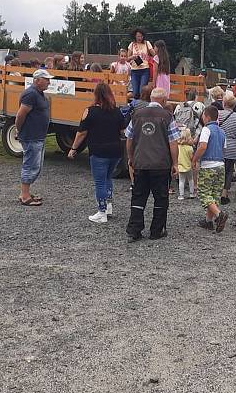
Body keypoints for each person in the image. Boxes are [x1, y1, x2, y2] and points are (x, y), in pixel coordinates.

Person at [125, 87, 179, 242]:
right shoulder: (167, 116)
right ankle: (156, 230)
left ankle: (134, 230)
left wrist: (131, 157)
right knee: (161, 198)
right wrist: (175, 163)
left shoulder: (136, 115)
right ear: (163, 100)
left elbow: (129, 138)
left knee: (138, 197)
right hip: (160, 164)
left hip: (140, 162)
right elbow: (173, 142)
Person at [68, 83, 125, 224]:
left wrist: (74, 148)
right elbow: (123, 132)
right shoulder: (117, 111)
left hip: (99, 151)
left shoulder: (90, 111)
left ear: (96, 95)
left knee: (99, 182)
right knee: (108, 178)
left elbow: (81, 133)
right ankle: (109, 206)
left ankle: (101, 212)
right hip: (116, 151)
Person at [15, 69, 53, 206]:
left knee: (36, 166)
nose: (49, 82)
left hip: (38, 136)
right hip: (31, 136)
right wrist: (18, 130)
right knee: (30, 165)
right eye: (46, 79)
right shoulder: (30, 94)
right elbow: (20, 115)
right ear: (37, 80)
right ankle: (25, 196)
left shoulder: (40, 94)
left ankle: (24, 193)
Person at [192, 105, 229, 233]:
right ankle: (208, 221)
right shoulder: (222, 131)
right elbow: (224, 149)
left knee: (204, 193)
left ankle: (219, 215)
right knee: (215, 194)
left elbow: (202, 146)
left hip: (208, 166)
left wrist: (195, 159)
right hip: (220, 165)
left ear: (206, 117)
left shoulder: (206, 130)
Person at [219, 91, 236, 205]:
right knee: (229, 171)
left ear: (224, 103)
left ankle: (216, 190)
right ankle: (225, 192)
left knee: (219, 169)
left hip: (219, 145)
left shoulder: (218, 114)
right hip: (232, 146)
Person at [128, 28, 156, 99]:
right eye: (138, 36)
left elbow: (154, 54)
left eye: (141, 36)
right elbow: (127, 59)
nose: (140, 38)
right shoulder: (132, 45)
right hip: (134, 70)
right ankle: (136, 107)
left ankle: (142, 106)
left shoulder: (147, 43)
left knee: (142, 91)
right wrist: (132, 57)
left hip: (144, 69)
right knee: (135, 92)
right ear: (135, 36)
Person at [176, 128, 196, 200]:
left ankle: (181, 195)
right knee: (190, 179)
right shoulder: (189, 148)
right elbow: (191, 158)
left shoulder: (178, 147)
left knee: (181, 181)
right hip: (188, 166)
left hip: (180, 166)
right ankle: (191, 193)